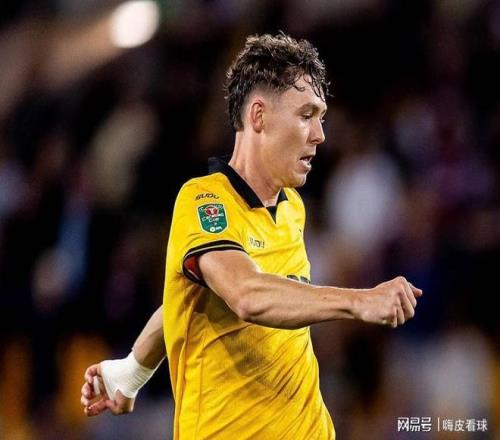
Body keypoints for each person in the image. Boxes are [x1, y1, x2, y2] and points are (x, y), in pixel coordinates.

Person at [81, 33, 422, 439]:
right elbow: (244, 294)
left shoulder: (292, 208)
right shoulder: (204, 200)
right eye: (306, 115)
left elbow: (187, 301)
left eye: (321, 117)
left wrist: (132, 371)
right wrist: (358, 301)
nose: (320, 134)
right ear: (258, 116)